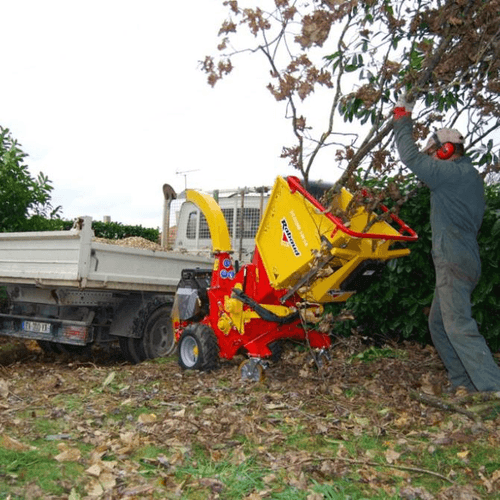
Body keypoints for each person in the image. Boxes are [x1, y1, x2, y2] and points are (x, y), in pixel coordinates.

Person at [392, 95, 500, 393]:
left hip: (453, 256)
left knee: (458, 326)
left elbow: (410, 157)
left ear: (446, 150)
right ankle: (463, 382)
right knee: (439, 325)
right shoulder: (468, 175)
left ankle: (493, 388)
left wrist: (402, 117)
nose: (430, 158)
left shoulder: (451, 174)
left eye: (433, 152)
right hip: (463, 256)